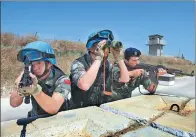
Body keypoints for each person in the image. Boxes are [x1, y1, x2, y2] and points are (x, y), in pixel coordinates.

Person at [10, 41, 74, 117]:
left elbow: (53, 107)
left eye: (39, 62)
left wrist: (35, 90)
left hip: (59, 120)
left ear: (49, 63)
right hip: (36, 118)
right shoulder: (29, 76)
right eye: (32, 64)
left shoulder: (62, 80)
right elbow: (14, 103)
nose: (35, 67)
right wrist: (17, 87)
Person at [70, 29, 129, 108]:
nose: (105, 49)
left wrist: (119, 59)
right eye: (102, 46)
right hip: (81, 109)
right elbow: (84, 85)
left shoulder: (107, 64)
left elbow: (125, 79)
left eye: (107, 46)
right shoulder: (79, 63)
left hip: (100, 108)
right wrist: (98, 58)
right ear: (90, 47)